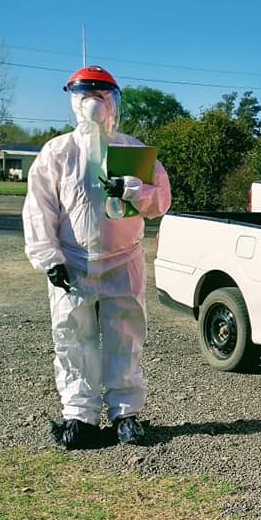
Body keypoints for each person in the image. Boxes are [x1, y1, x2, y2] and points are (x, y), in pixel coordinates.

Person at [22, 66, 172, 449]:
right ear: (74, 101)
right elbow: (39, 208)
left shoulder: (133, 152)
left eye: (102, 95)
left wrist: (133, 189)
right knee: (73, 338)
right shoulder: (57, 152)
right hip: (73, 262)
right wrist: (49, 257)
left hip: (124, 258)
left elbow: (161, 202)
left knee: (125, 336)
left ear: (114, 102)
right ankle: (79, 415)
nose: (95, 103)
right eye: (87, 95)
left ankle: (125, 413)